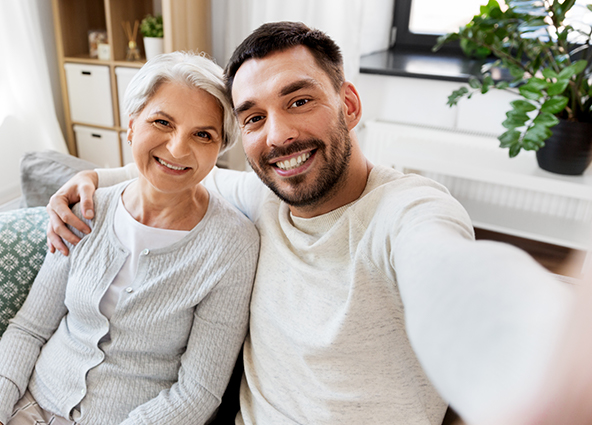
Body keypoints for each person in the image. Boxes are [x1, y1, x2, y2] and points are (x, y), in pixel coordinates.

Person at [45, 22, 582, 425]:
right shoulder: (263, 195)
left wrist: (543, 348)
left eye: (299, 101)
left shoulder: (410, 211)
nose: (277, 136)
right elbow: (169, 173)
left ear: (348, 104)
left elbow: (453, 276)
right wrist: (89, 178)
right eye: (254, 117)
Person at [0, 51, 260, 425]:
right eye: (162, 122)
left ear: (220, 148)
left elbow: (198, 392)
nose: (178, 148)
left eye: (203, 134)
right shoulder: (84, 210)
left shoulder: (233, 245)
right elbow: (29, 329)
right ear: (132, 125)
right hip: (30, 405)